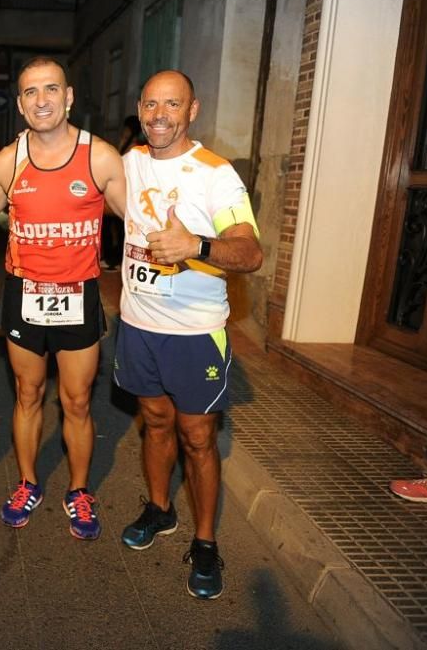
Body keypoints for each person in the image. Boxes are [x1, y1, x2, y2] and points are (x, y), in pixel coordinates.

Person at [114, 70, 263, 600]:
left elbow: (249, 252)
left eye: (171, 105)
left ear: (191, 110)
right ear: (139, 107)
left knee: (197, 437)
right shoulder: (127, 164)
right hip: (138, 326)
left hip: (195, 334)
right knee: (154, 422)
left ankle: (204, 541)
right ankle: (159, 509)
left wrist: (196, 246)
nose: (160, 114)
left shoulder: (216, 174)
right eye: (151, 104)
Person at [0, 56, 126, 540]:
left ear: (69, 96)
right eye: (31, 92)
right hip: (23, 295)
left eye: (51, 90)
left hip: (78, 295)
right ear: (19, 103)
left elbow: (140, 220)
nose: (42, 100)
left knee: (77, 400)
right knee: (28, 393)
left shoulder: (99, 157)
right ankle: (28, 483)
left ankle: (79, 491)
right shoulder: (9, 161)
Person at [100, 115, 142, 270]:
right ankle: (113, 258)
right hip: (122, 192)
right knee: (114, 225)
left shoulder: (135, 149)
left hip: (128, 193)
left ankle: (114, 259)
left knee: (119, 226)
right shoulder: (127, 145)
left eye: (126, 130)